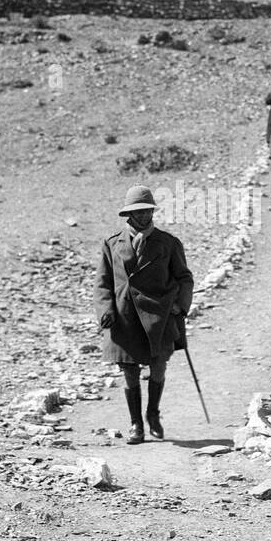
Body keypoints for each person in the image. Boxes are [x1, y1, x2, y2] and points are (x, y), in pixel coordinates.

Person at [95, 185, 195, 445]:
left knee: (158, 368)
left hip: (159, 318)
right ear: (128, 214)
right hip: (125, 317)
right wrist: (105, 310)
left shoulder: (169, 243)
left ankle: (153, 413)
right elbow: (103, 283)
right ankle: (136, 424)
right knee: (129, 372)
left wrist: (179, 307)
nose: (145, 216)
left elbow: (185, 278)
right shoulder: (111, 244)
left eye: (148, 210)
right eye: (139, 211)